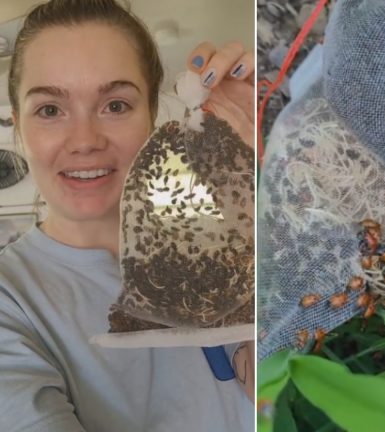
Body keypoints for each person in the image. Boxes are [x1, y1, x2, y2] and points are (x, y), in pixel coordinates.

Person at [0, 0, 255, 430]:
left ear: (152, 115)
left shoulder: (216, 240)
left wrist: (259, 160)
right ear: (18, 128)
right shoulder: (12, 299)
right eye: (49, 110)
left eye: (115, 105)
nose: (84, 141)